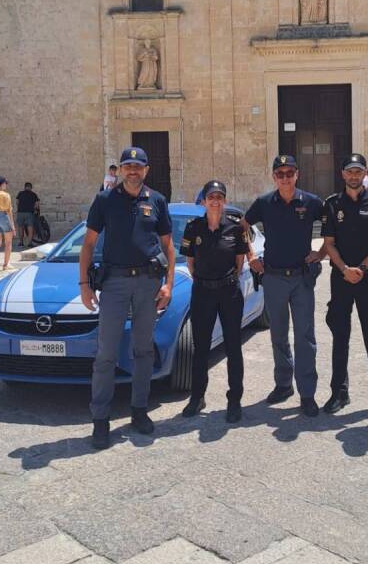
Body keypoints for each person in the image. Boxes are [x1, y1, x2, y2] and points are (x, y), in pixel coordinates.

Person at [79, 146, 175, 450]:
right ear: (119, 170)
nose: (132, 171)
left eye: (138, 166)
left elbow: (169, 247)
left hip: (148, 284)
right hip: (115, 284)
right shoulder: (105, 199)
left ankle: (139, 410)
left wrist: (168, 284)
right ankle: (101, 420)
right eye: (127, 166)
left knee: (143, 350)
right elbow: (88, 244)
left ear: (146, 170)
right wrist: (84, 284)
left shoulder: (157, 201)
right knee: (106, 353)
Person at [244, 155, 325, 417]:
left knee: (305, 337)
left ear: (297, 174)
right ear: (273, 177)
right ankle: (283, 384)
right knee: (278, 335)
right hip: (274, 278)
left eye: (290, 172)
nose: (285, 177)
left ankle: (307, 394)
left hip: (301, 279)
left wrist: (321, 252)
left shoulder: (311, 202)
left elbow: (334, 226)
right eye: (280, 174)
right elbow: (243, 226)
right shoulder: (265, 203)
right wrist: (251, 256)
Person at [321, 154, 368, 419]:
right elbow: (329, 243)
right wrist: (345, 270)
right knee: (340, 337)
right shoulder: (332, 204)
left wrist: (361, 269)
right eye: (349, 171)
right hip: (341, 279)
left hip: (367, 279)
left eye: (358, 172)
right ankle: (339, 393)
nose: (353, 176)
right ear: (342, 174)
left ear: (364, 174)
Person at [179, 180, 249, 423]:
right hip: (203, 293)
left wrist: (227, 281)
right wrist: (204, 280)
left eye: (220, 197)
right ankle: (197, 397)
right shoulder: (193, 228)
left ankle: (234, 400)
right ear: (203, 201)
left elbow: (240, 262)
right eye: (211, 197)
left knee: (233, 347)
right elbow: (190, 262)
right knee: (200, 348)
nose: (216, 201)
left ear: (225, 201)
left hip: (229, 293)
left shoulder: (235, 228)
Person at [15, 181, 40, 247]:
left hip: (20, 212)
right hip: (29, 213)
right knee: (30, 227)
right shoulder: (33, 194)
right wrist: (35, 209)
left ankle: (21, 243)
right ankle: (30, 243)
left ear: (25, 187)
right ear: (30, 188)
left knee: (20, 227)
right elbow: (37, 204)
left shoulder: (20, 193)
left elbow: (17, 202)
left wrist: (20, 208)